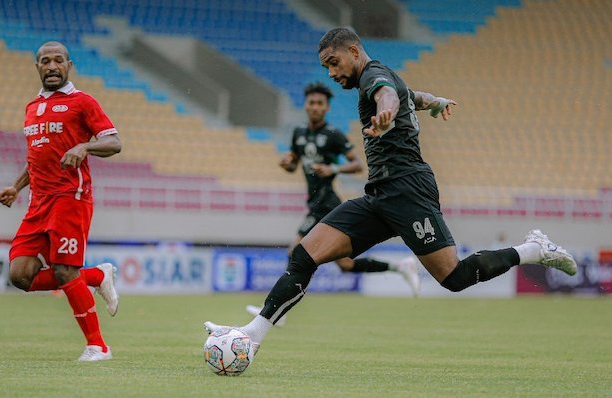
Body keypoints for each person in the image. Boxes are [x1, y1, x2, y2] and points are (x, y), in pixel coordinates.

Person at [205, 27, 577, 354]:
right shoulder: (381, 77)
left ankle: (533, 249)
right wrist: (435, 103)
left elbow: (389, 95)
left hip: (409, 190)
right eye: (326, 68)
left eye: (334, 63)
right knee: (305, 255)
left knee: (455, 277)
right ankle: (250, 337)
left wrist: (385, 113)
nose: (332, 73)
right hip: (380, 194)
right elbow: (407, 94)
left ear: (354, 51)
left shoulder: (374, 78)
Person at [245, 82, 420, 325]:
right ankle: (400, 267)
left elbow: (358, 164)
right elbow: (294, 162)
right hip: (314, 203)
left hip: (326, 204)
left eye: (320, 104)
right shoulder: (299, 134)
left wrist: (333, 168)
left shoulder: (333, 135)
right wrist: (287, 164)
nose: (315, 107)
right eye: (311, 103)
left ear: (326, 108)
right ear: (305, 105)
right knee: (346, 266)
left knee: (295, 251)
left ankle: (277, 314)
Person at [0, 41, 122, 362]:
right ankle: (96, 276)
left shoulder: (82, 102)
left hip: (71, 198)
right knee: (20, 276)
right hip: (37, 203)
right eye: (45, 61)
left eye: (58, 61)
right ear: (37, 66)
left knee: (65, 271)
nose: (52, 66)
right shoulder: (31, 108)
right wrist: (16, 186)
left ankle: (98, 347)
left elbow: (114, 142)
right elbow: (37, 157)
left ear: (69, 65)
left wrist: (85, 147)